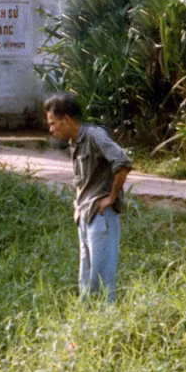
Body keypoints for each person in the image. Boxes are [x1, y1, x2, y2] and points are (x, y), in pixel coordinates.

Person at [44, 93, 132, 301]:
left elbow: (123, 162)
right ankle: (88, 321)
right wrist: (78, 206)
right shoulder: (75, 142)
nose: (51, 129)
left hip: (101, 216)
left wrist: (111, 198)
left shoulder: (94, 136)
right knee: (86, 279)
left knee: (102, 280)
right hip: (85, 216)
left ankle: (106, 323)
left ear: (66, 119)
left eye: (53, 123)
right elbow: (81, 180)